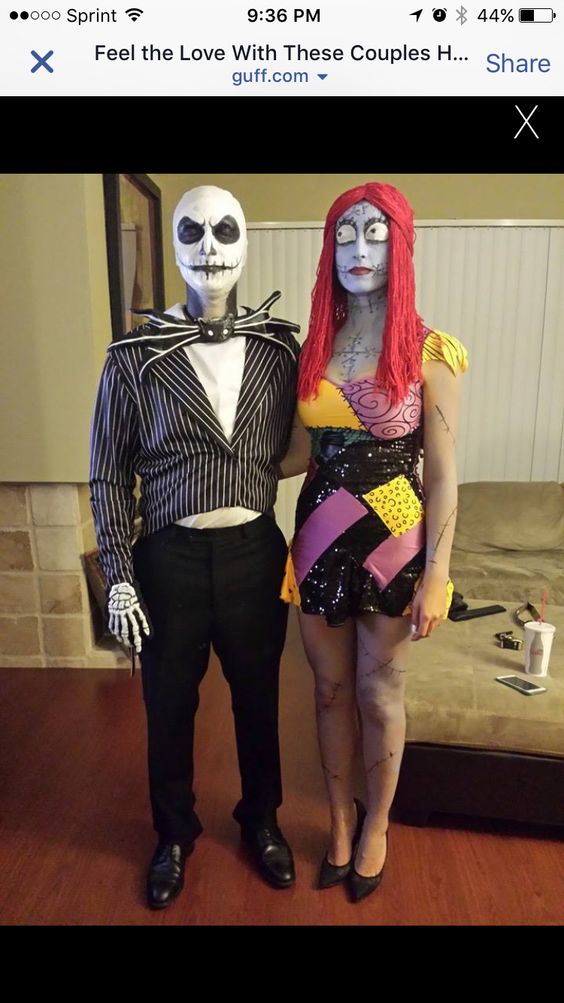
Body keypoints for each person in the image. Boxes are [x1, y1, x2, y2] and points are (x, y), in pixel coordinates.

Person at [90, 185, 310, 909]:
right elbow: (107, 470)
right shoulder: (134, 355)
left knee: (258, 697)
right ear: (175, 245)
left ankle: (262, 820)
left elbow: (311, 438)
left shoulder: (280, 348)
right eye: (192, 232)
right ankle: (173, 833)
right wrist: (120, 574)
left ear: (244, 243)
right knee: (168, 703)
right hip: (168, 558)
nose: (209, 247)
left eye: (224, 231)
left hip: (255, 552)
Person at [281, 182, 468, 902]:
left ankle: (377, 824)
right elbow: (298, 455)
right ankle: (337, 819)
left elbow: (443, 476)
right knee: (328, 691)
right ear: (328, 249)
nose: (359, 249)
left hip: (396, 539)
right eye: (344, 234)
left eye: (376, 234)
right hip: (317, 537)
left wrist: (438, 574)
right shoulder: (313, 349)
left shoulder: (430, 351)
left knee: (379, 694)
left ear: (402, 246)